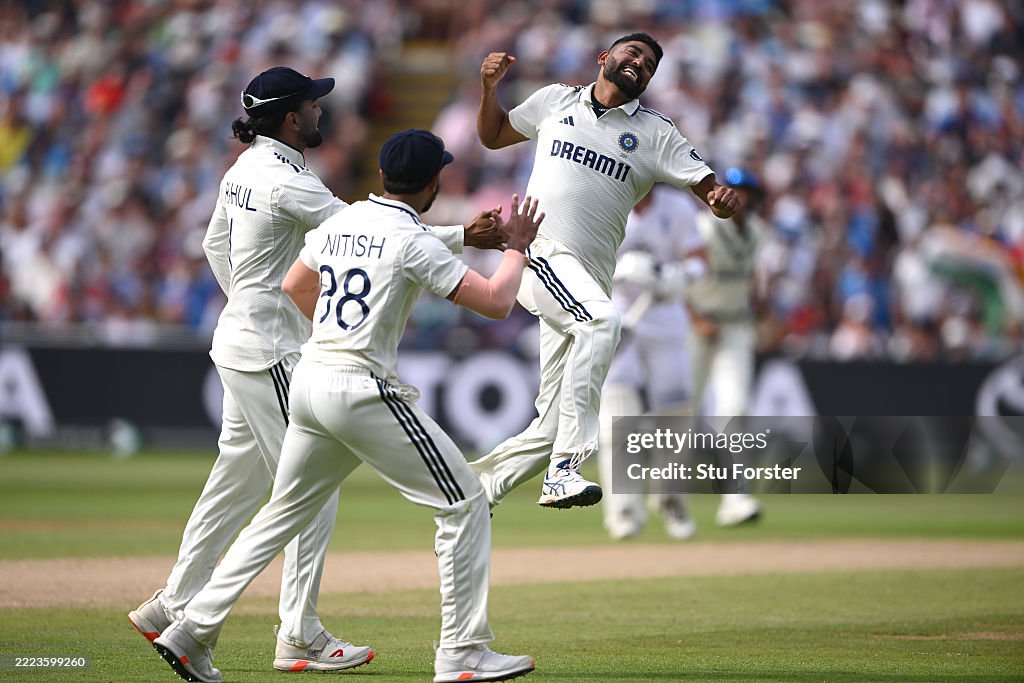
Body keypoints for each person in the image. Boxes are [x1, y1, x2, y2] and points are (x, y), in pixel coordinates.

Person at [129, 67, 506, 673]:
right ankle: (296, 632)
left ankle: (171, 606)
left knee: (240, 483)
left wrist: (247, 301)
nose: (321, 113)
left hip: (240, 340)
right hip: (275, 351)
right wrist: (462, 235)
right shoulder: (286, 181)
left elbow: (212, 248)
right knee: (308, 496)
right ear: (290, 118)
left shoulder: (243, 170)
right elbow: (370, 232)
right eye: (312, 105)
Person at [472, 32, 741, 509]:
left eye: (651, 64)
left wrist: (720, 198)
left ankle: (471, 493)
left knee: (551, 422)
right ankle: (565, 469)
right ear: (605, 58)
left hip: (587, 278)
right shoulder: (555, 100)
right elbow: (493, 137)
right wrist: (490, 89)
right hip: (539, 254)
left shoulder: (656, 133)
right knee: (603, 321)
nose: (642, 62)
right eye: (633, 53)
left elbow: (707, 185)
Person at [596, 186, 706, 540]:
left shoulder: (677, 206)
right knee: (617, 415)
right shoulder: (604, 199)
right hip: (618, 312)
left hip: (666, 313)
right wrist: (622, 271)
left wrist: (682, 276)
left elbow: (700, 258)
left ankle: (670, 499)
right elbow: (581, 257)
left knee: (675, 414)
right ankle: (624, 509)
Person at [685, 167, 767, 527]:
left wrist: (762, 314)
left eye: (745, 192)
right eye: (734, 190)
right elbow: (681, 275)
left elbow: (751, 282)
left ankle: (735, 498)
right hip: (696, 324)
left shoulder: (758, 233)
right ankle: (666, 492)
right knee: (682, 410)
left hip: (735, 324)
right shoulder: (703, 228)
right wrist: (694, 318)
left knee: (735, 407)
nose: (738, 197)